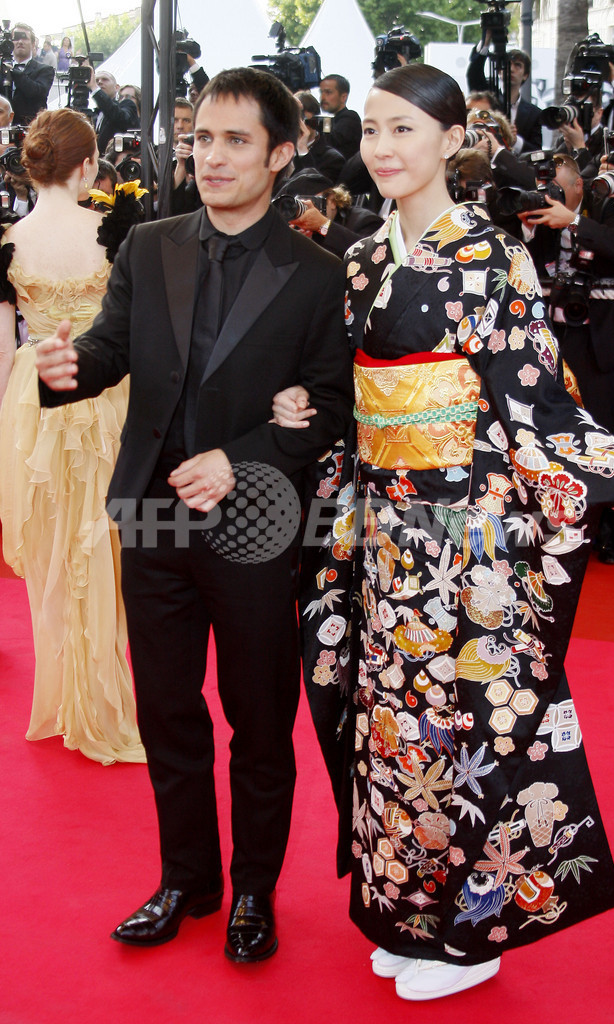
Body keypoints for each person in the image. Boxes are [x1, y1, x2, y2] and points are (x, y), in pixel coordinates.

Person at [273, 63, 614, 1001]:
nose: (382, 147)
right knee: (390, 722)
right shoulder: (363, 257)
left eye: (403, 129)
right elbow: (346, 392)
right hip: (380, 528)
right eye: (371, 129)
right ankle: (406, 915)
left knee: (463, 721)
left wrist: (597, 464)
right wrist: (306, 412)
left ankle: (470, 939)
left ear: (452, 140)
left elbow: (532, 387)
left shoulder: (493, 254)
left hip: (462, 533)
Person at [35, 67, 353, 962]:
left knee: (259, 718)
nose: (211, 157)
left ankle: (253, 889)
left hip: (256, 526)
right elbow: (109, 348)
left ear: (281, 155)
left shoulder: (317, 274)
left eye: (235, 141)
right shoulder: (150, 245)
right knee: (168, 712)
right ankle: (187, 879)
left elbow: (331, 405)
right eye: (202, 138)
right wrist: (69, 370)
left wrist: (243, 458)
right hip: (153, 516)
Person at [0, 107, 145, 765]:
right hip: (109, 392)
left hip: (32, 398)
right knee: (106, 548)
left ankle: (68, 698)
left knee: (55, 546)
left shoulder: (9, 241)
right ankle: (102, 697)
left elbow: (5, 349)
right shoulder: (116, 232)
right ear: (88, 166)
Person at [88, 67, 140, 156]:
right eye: (96, 80)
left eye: (105, 79)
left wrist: (95, 88)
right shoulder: (94, 115)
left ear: (117, 88)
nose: (99, 82)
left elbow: (118, 115)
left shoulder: (127, 105)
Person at [10, 23, 55, 125]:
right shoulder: (2, 69)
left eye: (24, 38)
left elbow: (37, 92)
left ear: (33, 44)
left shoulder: (45, 70)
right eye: (16, 38)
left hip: (30, 128)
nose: (20, 41)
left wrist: (14, 72)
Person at [320, 74, 362, 160]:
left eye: (328, 92)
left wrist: (324, 122)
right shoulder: (332, 120)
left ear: (343, 97)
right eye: (321, 92)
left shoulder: (350, 117)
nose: (322, 97)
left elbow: (330, 142)